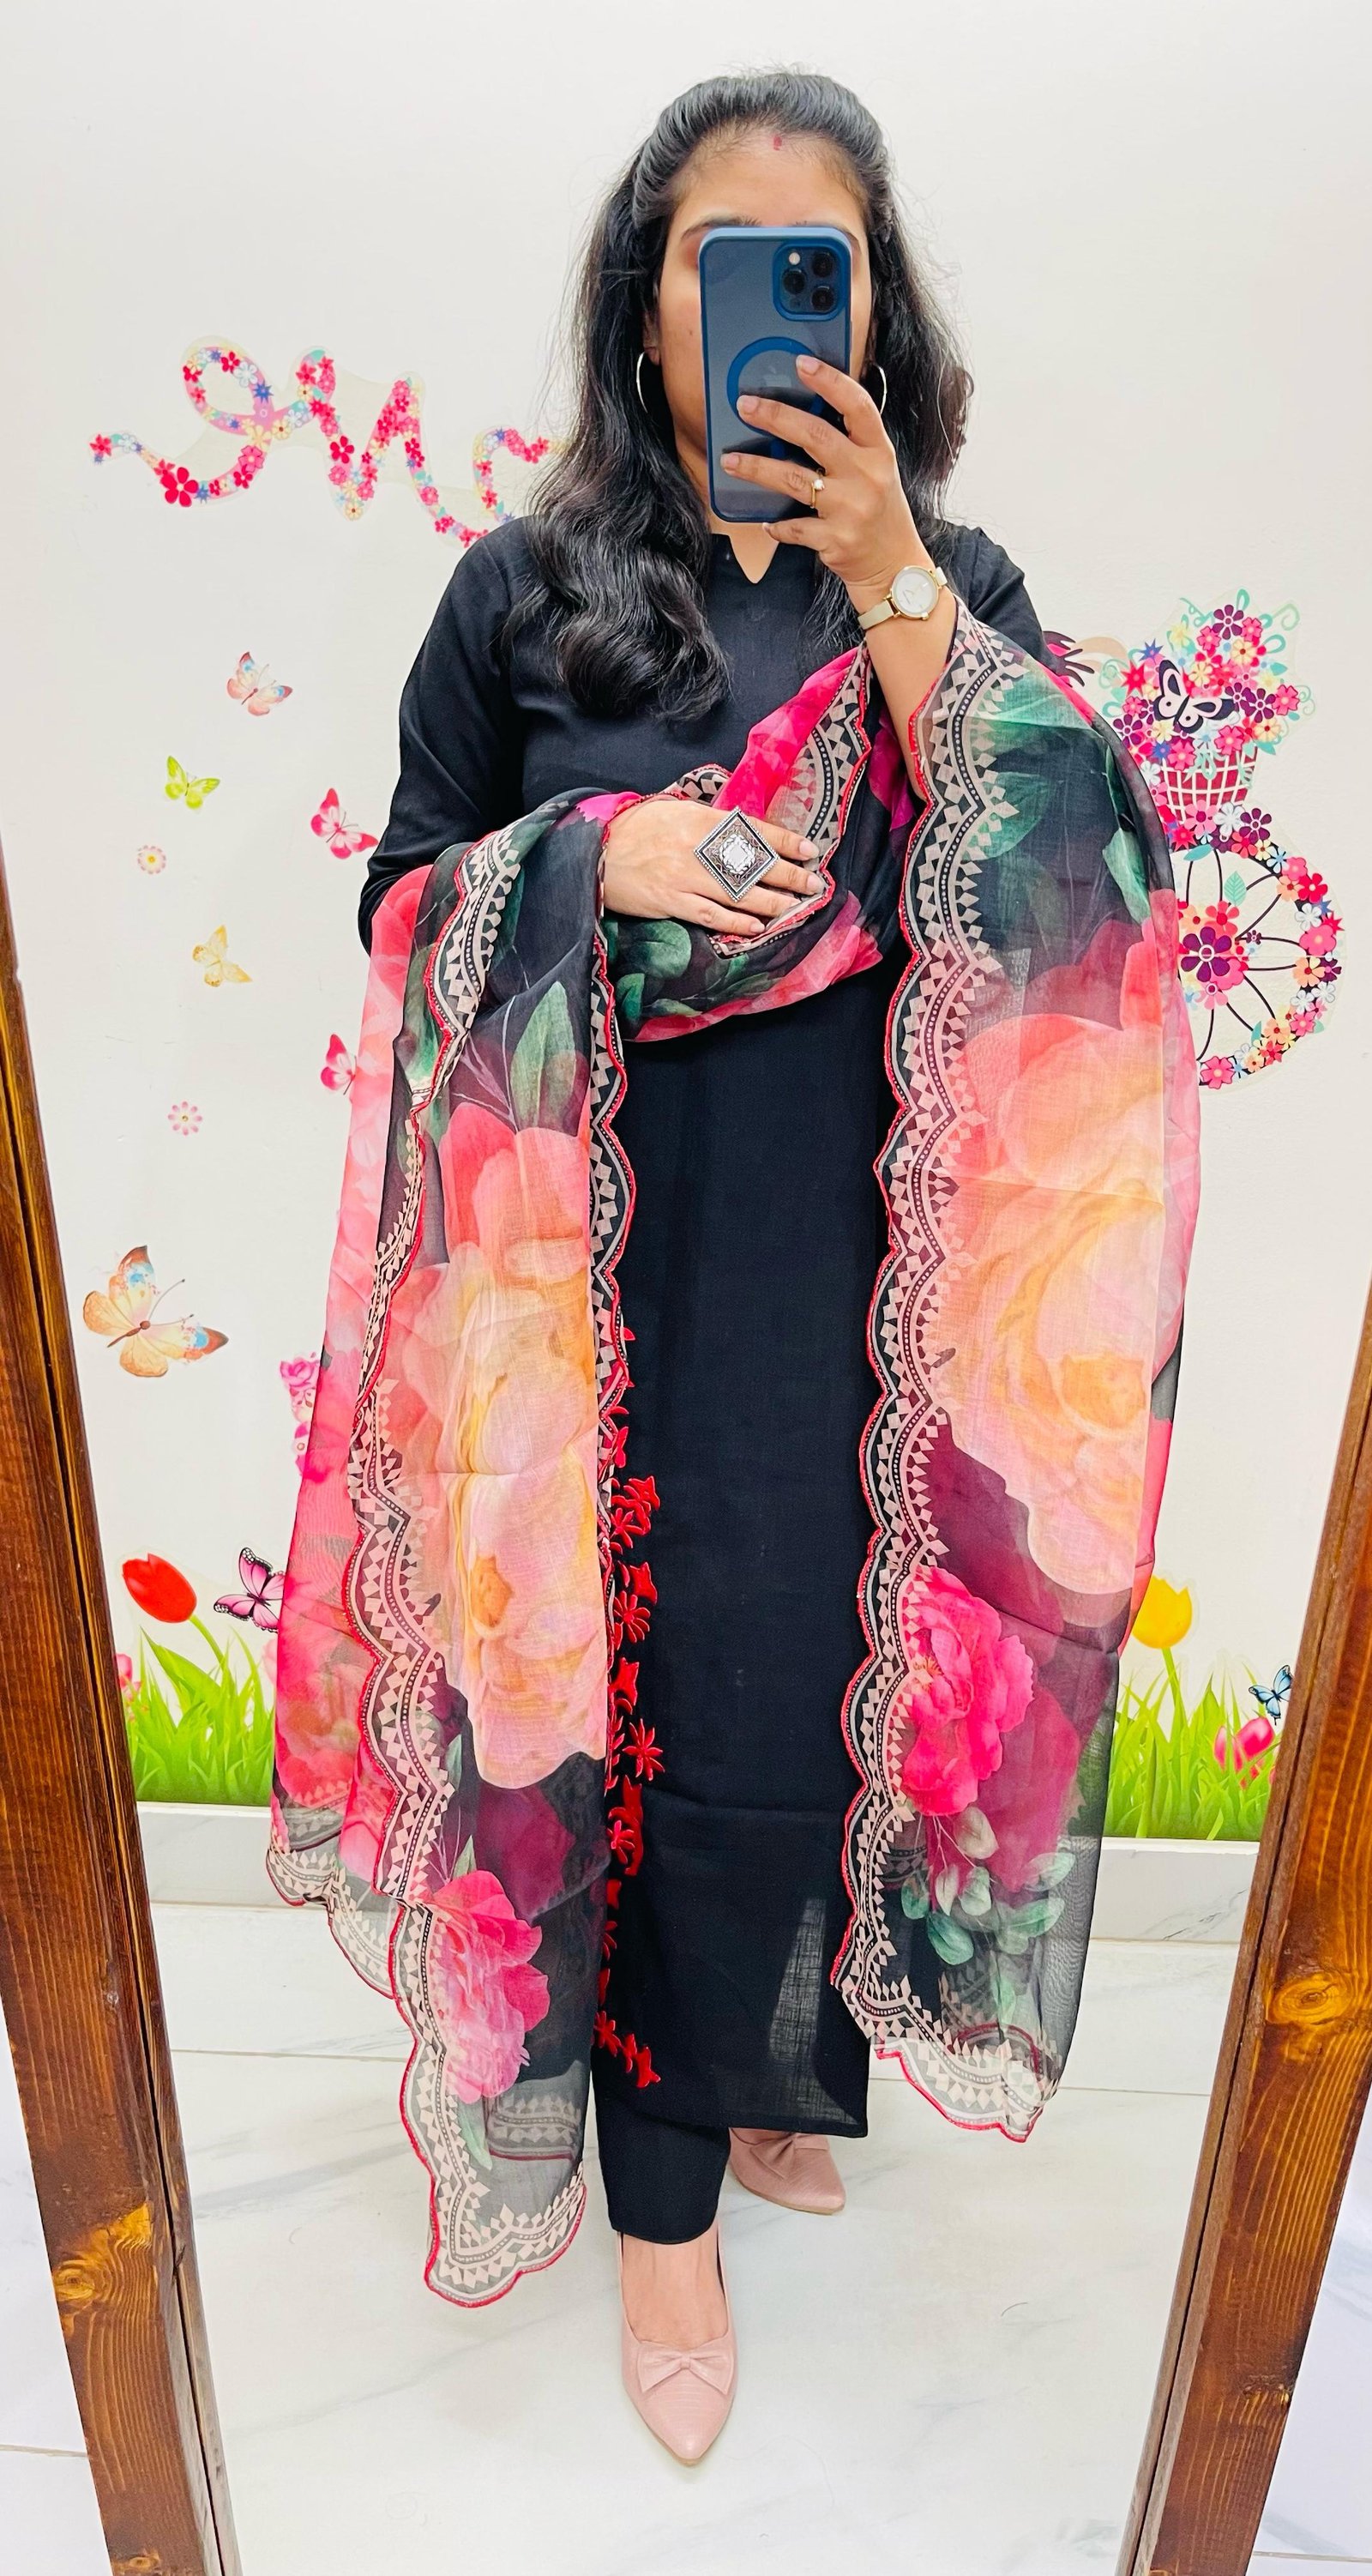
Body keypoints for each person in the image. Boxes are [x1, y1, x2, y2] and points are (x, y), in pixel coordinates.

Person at [273, 68, 1197, 2467]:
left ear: (875, 308)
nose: (771, 305)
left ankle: (775, 2062)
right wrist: (597, 855)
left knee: (804, 1676)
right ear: (647, 303)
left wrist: (894, 578)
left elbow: (1077, 866)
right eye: (721, 258)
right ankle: (660, 2202)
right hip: (577, 1278)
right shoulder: (521, 591)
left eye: (822, 262)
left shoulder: (946, 581)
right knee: (617, 1685)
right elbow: (399, 899)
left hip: (851, 1249)